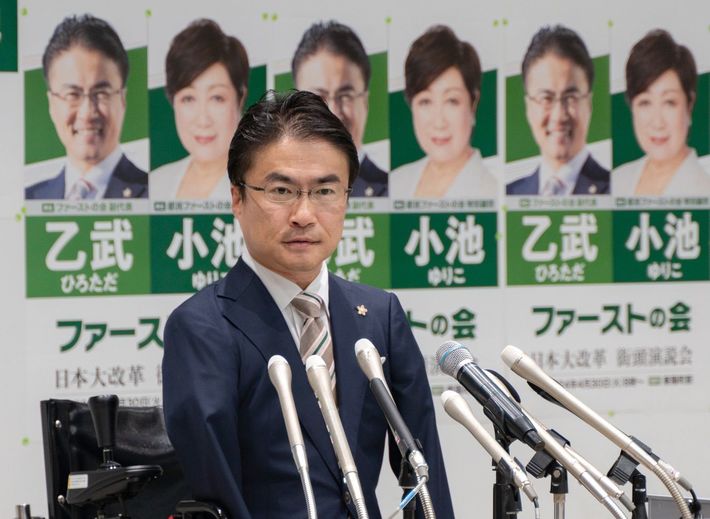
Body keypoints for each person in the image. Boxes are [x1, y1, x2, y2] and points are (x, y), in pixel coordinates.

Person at [162, 91, 454, 518]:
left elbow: (425, 475)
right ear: (237, 198)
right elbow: (214, 492)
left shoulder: (379, 316)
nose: (304, 214)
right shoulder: (203, 327)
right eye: (281, 190)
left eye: (325, 191)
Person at [25, 14, 147, 200]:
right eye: (72, 95)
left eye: (101, 93)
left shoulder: (154, 195)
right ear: (52, 104)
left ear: (122, 99)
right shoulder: (28, 201)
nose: (87, 113)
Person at [389, 25, 496, 199]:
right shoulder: (394, 184)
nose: (439, 122)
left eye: (452, 101)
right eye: (425, 101)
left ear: (473, 104)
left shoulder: (493, 194)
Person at [150, 19, 248, 200]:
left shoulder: (259, 184)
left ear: (240, 98)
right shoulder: (154, 184)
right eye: (188, 98)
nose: (203, 120)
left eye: (217, 98)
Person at [507, 25, 609, 196]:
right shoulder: (509, 196)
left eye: (571, 97)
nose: (559, 115)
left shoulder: (615, 192)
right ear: (529, 107)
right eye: (546, 98)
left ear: (589, 103)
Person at [292, 20, 388, 197]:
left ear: (365, 103)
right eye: (318, 97)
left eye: (345, 96)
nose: (334, 112)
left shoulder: (388, 191)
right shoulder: (274, 191)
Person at [613, 29, 710, 196]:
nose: (657, 123)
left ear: (689, 105)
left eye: (669, 102)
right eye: (645, 102)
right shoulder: (616, 182)